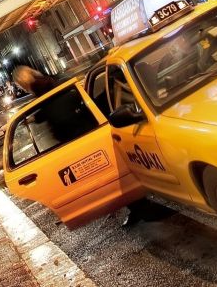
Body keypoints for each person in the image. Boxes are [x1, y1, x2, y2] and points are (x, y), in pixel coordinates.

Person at [12, 65, 158, 228]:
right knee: (110, 174)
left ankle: (145, 208)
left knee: (109, 174)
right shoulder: (48, 83)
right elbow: (51, 105)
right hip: (85, 132)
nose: (22, 88)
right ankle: (139, 207)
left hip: (82, 135)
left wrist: (39, 118)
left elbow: (55, 108)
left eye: (20, 85)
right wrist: (35, 118)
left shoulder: (42, 88)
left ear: (23, 81)